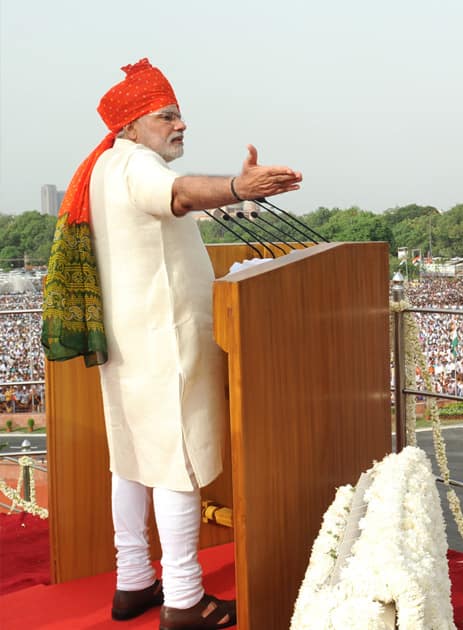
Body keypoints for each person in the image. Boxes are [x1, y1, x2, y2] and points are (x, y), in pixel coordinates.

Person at [43, 59, 301, 629]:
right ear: (131, 125)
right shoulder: (137, 165)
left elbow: (174, 206)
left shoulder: (108, 167)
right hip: (164, 348)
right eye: (167, 116)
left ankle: (133, 581)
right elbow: (179, 194)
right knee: (176, 465)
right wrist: (236, 185)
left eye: (181, 115)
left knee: (132, 462)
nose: (180, 125)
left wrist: (241, 196)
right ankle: (185, 599)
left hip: (133, 347)